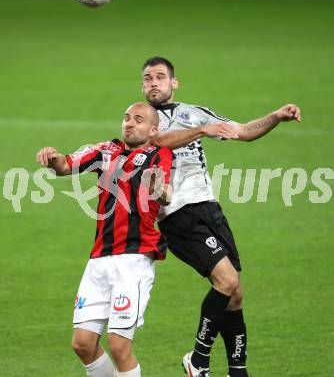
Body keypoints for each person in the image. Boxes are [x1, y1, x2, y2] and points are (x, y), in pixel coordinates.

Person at [141, 56, 302, 377]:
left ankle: (238, 371)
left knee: (234, 293)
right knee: (226, 281)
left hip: (208, 208)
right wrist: (201, 130)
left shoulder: (195, 112)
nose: (153, 83)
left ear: (174, 83)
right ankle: (198, 360)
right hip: (176, 215)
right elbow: (156, 141)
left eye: (160, 77)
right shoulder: (142, 118)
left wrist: (274, 117)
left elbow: (241, 131)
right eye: (147, 79)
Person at [36, 102, 174, 377]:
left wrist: (157, 188)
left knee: (119, 346)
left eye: (138, 119)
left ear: (153, 129)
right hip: (99, 259)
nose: (130, 123)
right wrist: (52, 158)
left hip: (133, 260)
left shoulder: (159, 154)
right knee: (83, 344)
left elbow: (166, 194)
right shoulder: (106, 151)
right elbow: (64, 166)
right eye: (126, 118)